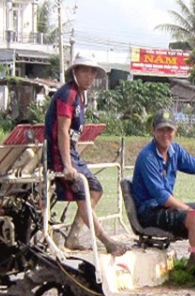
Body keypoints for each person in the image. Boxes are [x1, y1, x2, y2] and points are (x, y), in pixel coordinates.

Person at [131, 109, 195, 288]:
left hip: (164, 207)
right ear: (153, 130)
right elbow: (162, 197)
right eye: (161, 130)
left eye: (169, 130)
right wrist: (189, 210)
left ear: (175, 131)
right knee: (194, 216)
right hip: (150, 210)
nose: (165, 134)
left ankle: (194, 263)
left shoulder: (175, 151)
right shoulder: (147, 157)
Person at [44, 54, 127, 256]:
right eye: (85, 71)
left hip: (72, 153)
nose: (89, 76)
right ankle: (106, 240)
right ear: (75, 72)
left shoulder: (81, 96)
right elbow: (63, 131)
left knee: (96, 189)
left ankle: (73, 236)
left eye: (92, 72)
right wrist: (67, 165)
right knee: (82, 189)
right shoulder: (67, 95)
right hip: (59, 154)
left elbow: (73, 133)